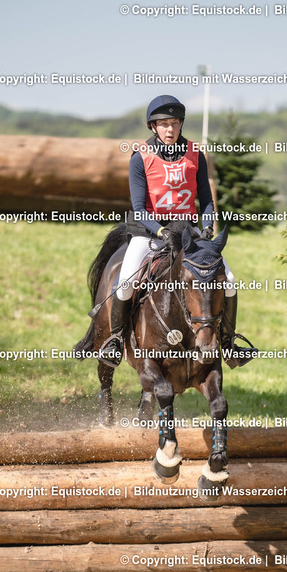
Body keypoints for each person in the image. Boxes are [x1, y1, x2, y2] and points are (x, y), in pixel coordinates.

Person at [100, 94, 251, 368]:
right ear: (153, 127)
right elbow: (138, 208)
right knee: (125, 284)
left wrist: (207, 226)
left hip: (188, 233)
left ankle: (228, 342)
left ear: (181, 124)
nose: (170, 129)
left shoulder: (195, 155)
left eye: (175, 123)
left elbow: (206, 200)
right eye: (164, 124)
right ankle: (116, 340)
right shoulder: (140, 157)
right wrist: (161, 232)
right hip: (149, 232)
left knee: (228, 280)